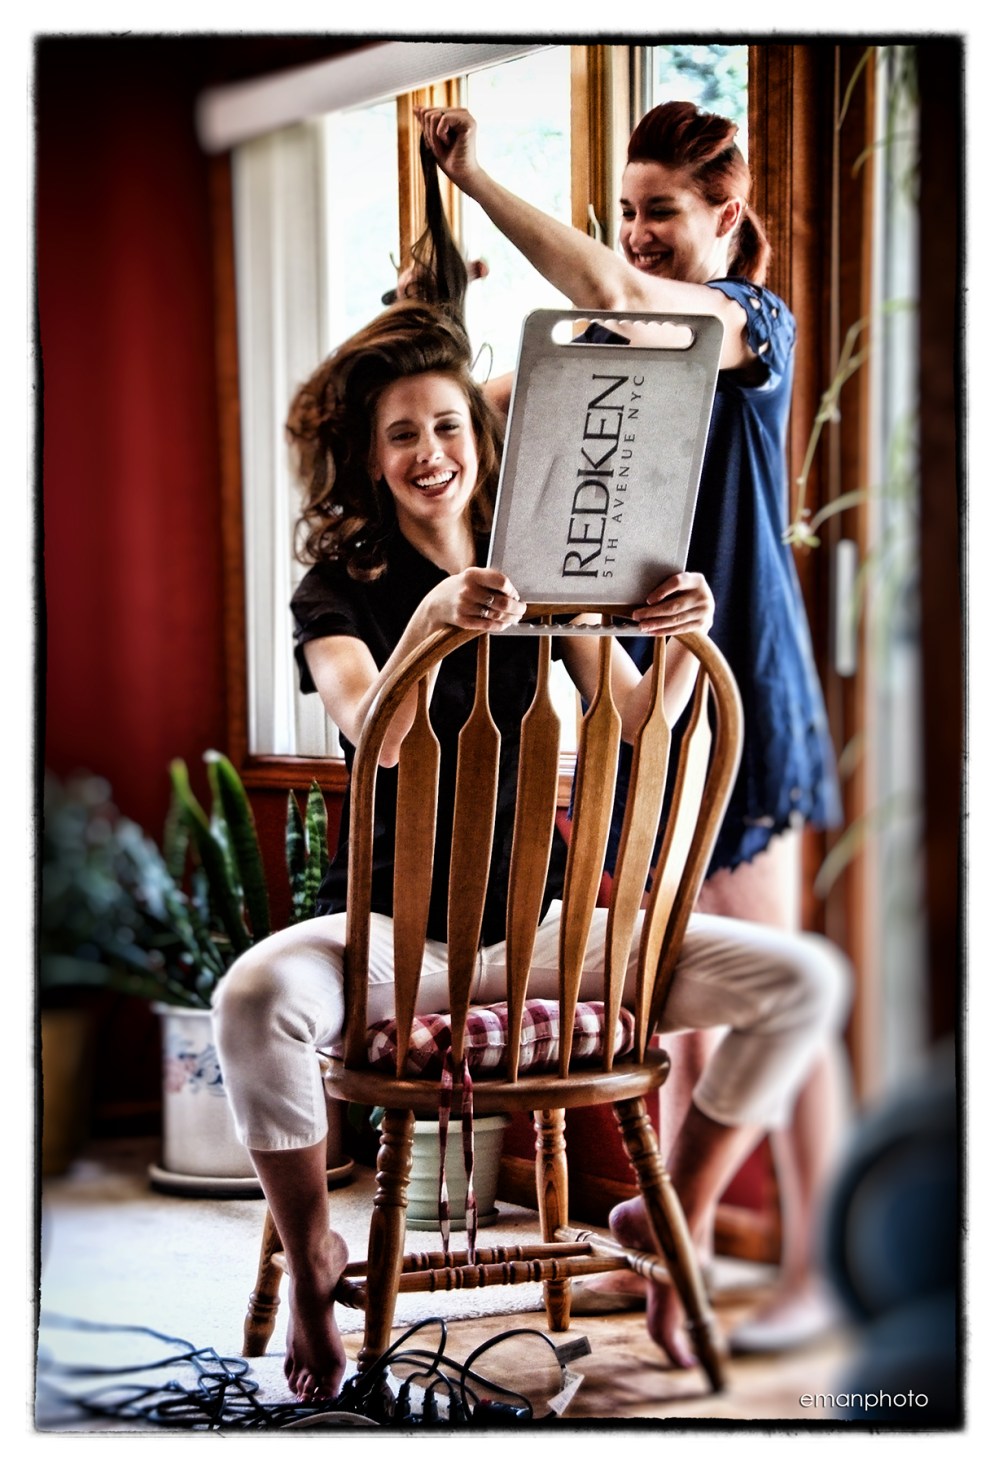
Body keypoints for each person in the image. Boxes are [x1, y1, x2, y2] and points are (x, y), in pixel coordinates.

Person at [211, 294, 850, 1403]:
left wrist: (680, 632)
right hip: (391, 939)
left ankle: (670, 1215)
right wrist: (435, 621)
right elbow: (375, 731)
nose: (429, 452)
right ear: (371, 457)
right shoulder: (338, 590)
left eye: (447, 425)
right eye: (401, 434)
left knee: (800, 980)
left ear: (480, 436)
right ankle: (313, 1258)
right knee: (250, 1000)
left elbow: (644, 720)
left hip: (547, 934)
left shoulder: (547, 570)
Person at [418, 99, 850, 1348]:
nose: (639, 232)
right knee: (682, 992)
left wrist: (478, 180)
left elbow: (616, 294)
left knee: (781, 991)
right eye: (627, 211)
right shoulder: (619, 335)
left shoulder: (747, 321)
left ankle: (821, 1268)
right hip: (655, 703)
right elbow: (482, 412)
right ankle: (677, 1257)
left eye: (662, 210)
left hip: (745, 686)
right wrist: (441, 326)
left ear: (727, 215)